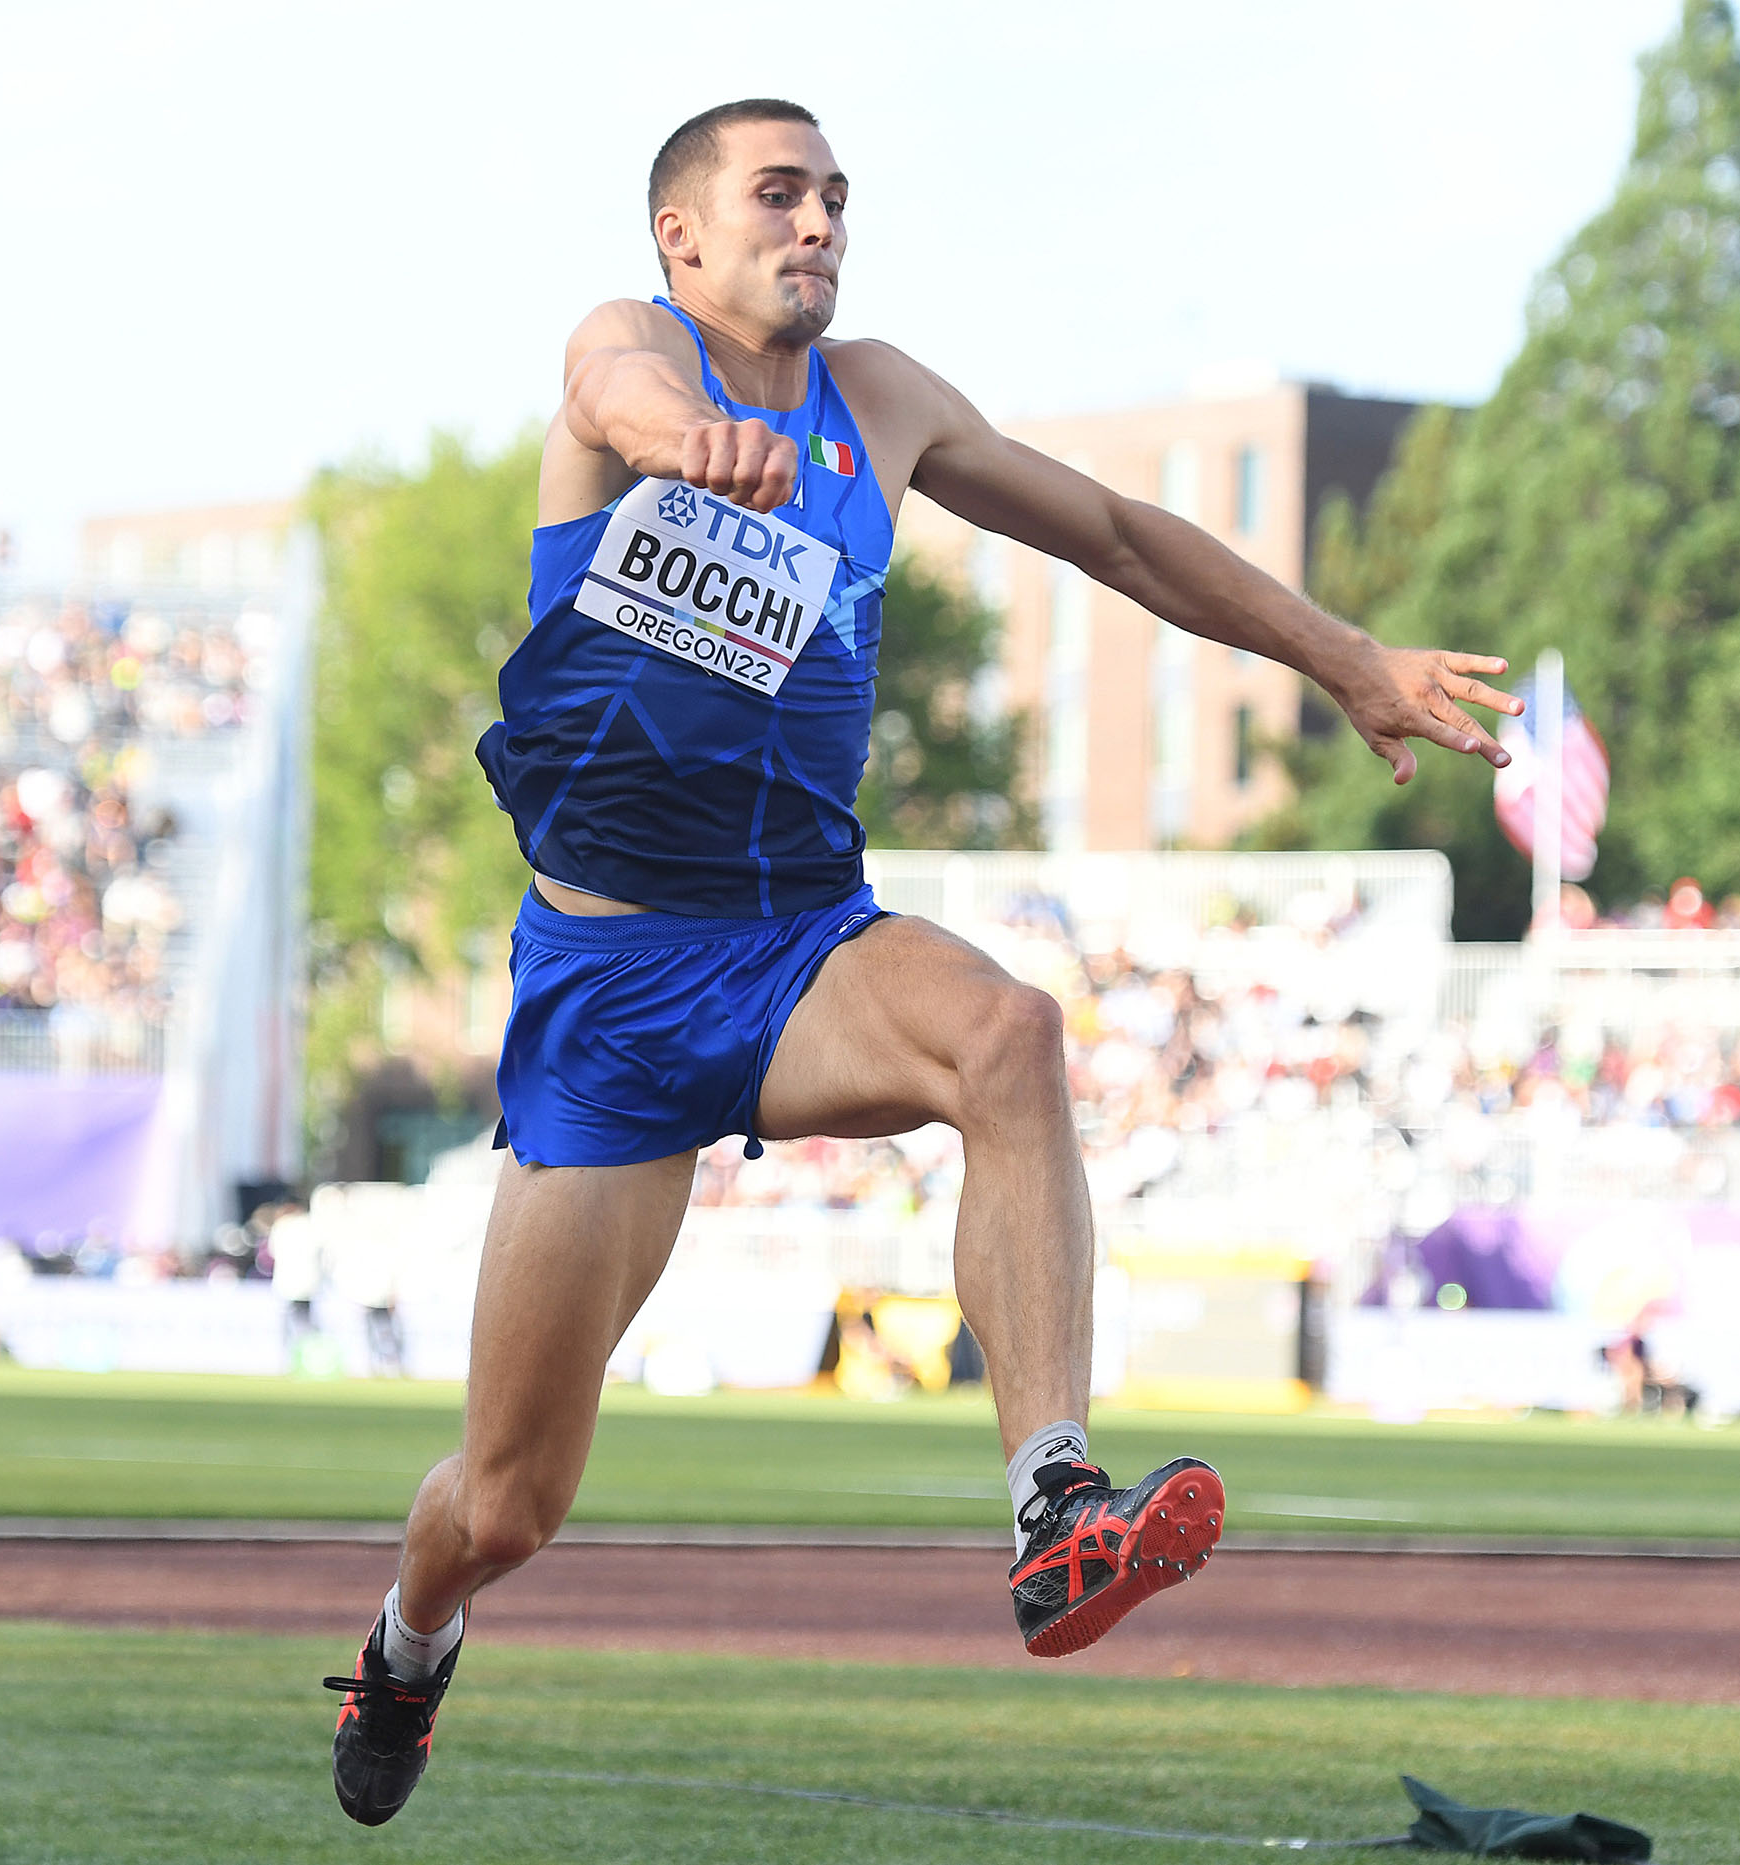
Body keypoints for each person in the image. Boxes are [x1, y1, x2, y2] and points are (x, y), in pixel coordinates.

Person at [325, 99, 1522, 1826]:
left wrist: (1342, 655)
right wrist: (687, 447)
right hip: (608, 992)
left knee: (1008, 1032)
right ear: (680, 234)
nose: (817, 223)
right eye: (777, 195)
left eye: (835, 198)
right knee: (506, 1503)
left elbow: (1116, 534)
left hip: (801, 940)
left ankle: (1055, 1507)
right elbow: (610, 394)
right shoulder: (628, 353)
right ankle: (408, 1638)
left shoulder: (879, 401)